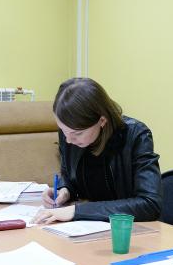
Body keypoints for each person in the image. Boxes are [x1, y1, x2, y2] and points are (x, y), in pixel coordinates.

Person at [32, 78, 162, 224]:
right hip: (84, 228)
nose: (68, 140)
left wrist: (78, 211)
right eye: (63, 131)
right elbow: (69, 176)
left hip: (126, 231)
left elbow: (150, 204)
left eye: (77, 134)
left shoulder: (136, 135)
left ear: (102, 120)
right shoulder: (70, 133)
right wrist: (65, 190)